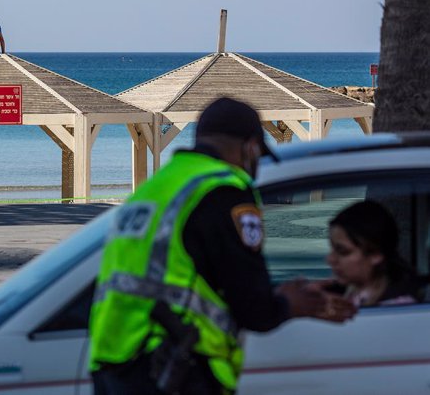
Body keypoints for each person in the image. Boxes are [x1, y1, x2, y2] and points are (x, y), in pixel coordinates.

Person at [88, 97, 357, 395]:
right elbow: (254, 310)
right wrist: (291, 304)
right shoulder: (224, 190)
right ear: (251, 147)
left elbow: (182, 277)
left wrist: (277, 294)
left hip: (114, 365)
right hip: (172, 368)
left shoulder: (157, 188)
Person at [326, 200, 421, 307]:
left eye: (343, 252)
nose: (330, 259)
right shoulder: (348, 292)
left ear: (375, 254)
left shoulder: (397, 307)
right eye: (332, 249)